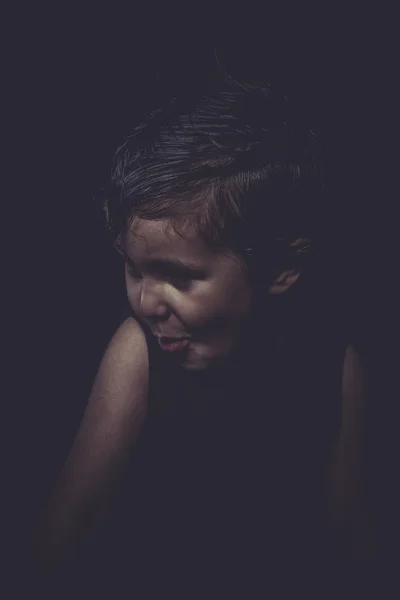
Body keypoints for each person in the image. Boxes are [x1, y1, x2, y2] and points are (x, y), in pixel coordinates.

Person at [32, 56, 376, 593]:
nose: (146, 301)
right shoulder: (136, 352)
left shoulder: (335, 365)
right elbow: (75, 517)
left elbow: (354, 532)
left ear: (281, 270)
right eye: (131, 268)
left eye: (179, 277)